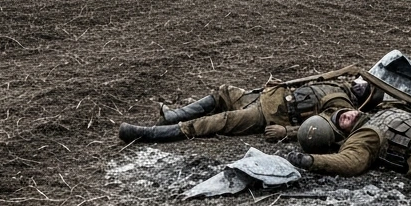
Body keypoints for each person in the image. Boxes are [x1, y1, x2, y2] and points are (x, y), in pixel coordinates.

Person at [118, 77, 386, 144]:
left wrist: (286, 132)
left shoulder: (343, 104)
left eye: (365, 87)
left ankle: (157, 133)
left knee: (220, 121)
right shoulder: (339, 82)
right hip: (262, 97)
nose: (359, 84)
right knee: (223, 92)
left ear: (367, 99)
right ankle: (174, 115)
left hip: (268, 115)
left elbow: (327, 128)